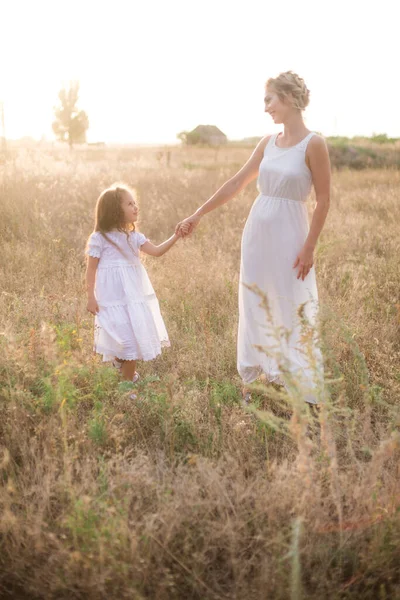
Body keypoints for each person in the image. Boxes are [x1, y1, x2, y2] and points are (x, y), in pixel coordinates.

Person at [176, 71, 331, 405]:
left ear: (288, 98)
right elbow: (236, 183)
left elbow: (324, 200)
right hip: (258, 236)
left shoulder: (314, 143)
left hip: (292, 237)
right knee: (256, 303)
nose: (266, 109)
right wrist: (197, 214)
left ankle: (300, 391)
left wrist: (309, 247)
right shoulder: (267, 142)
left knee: (292, 304)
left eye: (269, 100)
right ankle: (257, 381)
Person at [85, 183, 185, 398]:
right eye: (130, 203)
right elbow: (91, 270)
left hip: (133, 299)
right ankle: (123, 369)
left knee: (131, 343)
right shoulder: (99, 239)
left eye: (135, 203)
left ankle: (127, 387)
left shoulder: (134, 237)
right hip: (110, 301)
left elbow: (157, 251)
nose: (136, 207)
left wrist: (175, 236)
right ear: (114, 210)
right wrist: (90, 297)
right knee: (122, 341)